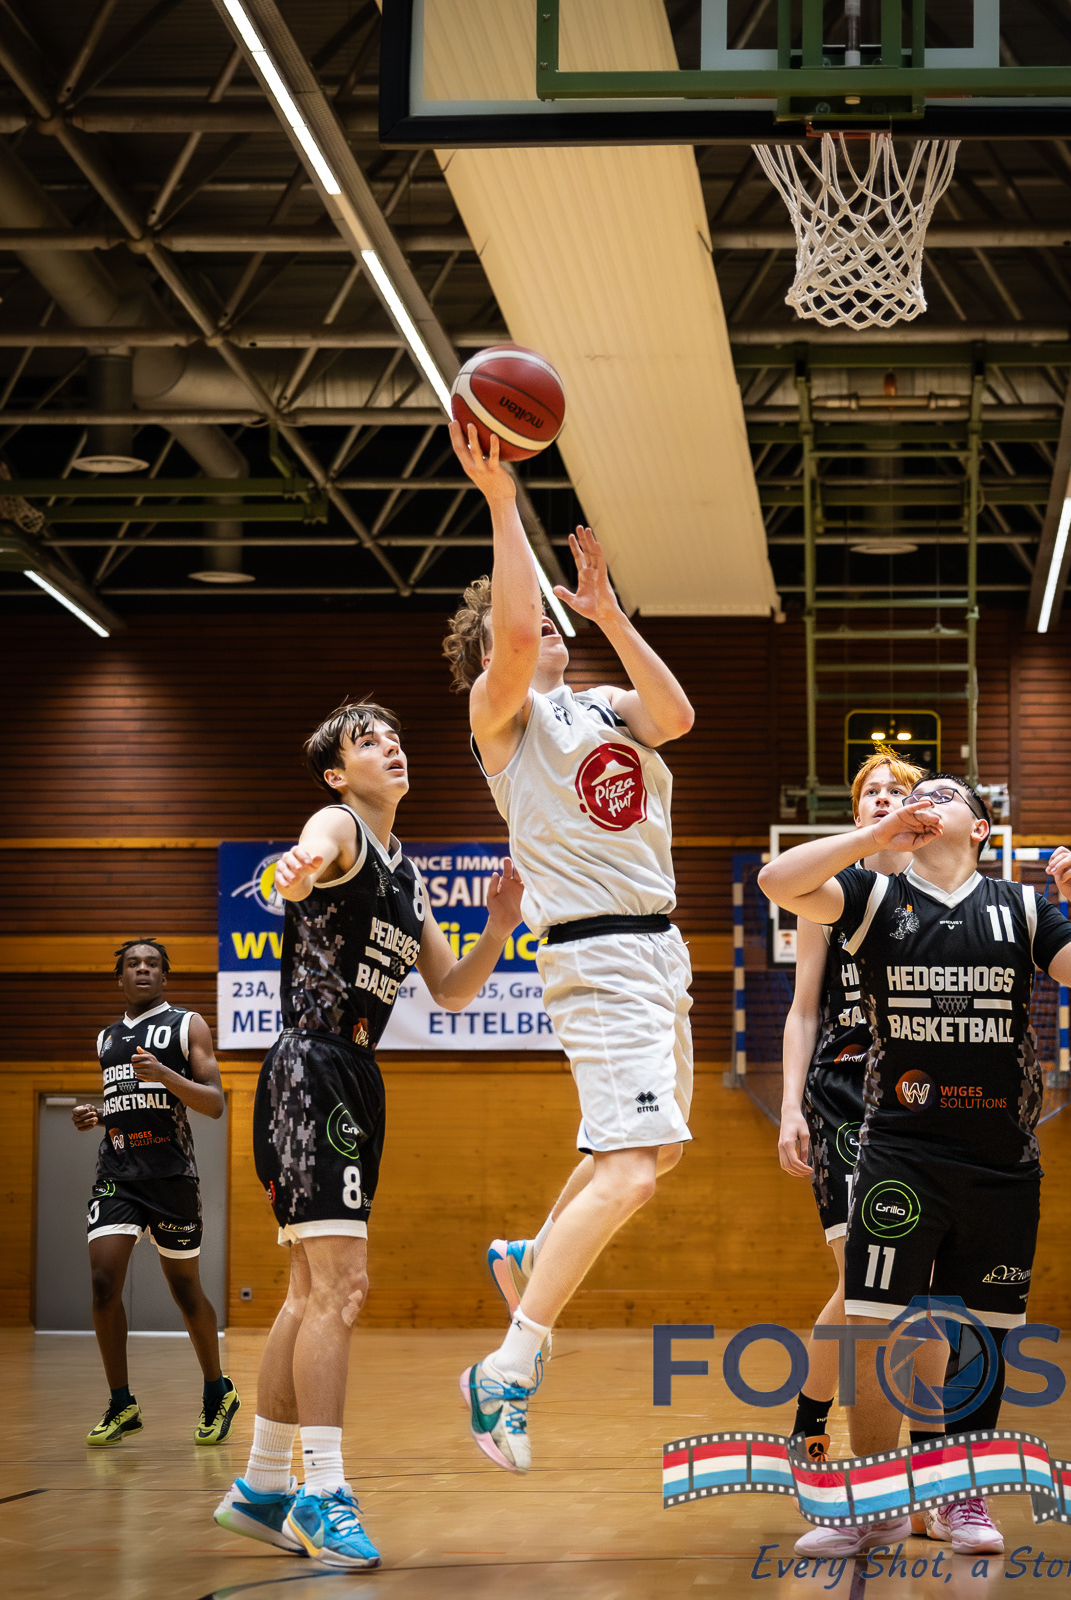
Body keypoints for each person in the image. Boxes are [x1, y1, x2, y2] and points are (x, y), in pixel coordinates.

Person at [759, 774, 1071, 1559]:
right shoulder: (870, 896)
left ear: (981, 827)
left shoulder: (1022, 908)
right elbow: (777, 881)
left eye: (943, 793)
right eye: (913, 793)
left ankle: (961, 1496)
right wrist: (873, 836)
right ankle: (874, 1500)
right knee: (872, 1324)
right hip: (898, 1150)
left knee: (977, 1334)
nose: (923, 799)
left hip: (999, 1158)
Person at [214, 700, 525, 1571]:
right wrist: (297, 870)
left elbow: (452, 991)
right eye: (366, 741)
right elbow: (304, 861)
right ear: (336, 773)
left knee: (308, 1293)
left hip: (353, 1074)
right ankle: (323, 1491)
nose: (389, 745)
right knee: (343, 1289)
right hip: (311, 1066)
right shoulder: (339, 826)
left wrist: (499, 928)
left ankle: (261, 1488)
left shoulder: (407, 874)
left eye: (393, 735)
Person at [444, 421, 696, 1475]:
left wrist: (608, 615)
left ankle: (530, 1253)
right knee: (630, 1174)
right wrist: (504, 502)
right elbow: (510, 637)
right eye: (536, 621)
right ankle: (506, 1368)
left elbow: (676, 716)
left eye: (555, 623)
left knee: (654, 1150)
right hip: (595, 956)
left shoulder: (601, 703)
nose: (546, 627)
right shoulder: (500, 718)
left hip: (660, 954)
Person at [778, 749, 922, 1464]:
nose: (884, 798)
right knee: (862, 1279)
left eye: (899, 789)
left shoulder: (940, 892)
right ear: (857, 811)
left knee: (911, 1282)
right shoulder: (828, 891)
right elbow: (803, 1009)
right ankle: (820, 1428)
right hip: (842, 1092)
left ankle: (833, 1422)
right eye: (873, 792)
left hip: (918, 1096)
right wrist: (789, 1108)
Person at [73, 939, 237, 1448]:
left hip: (171, 1177)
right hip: (117, 1173)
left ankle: (217, 1391)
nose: (142, 970)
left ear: (164, 977)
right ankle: (122, 1403)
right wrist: (100, 1115)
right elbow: (127, 1102)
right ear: (119, 977)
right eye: (132, 964)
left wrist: (165, 1074)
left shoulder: (188, 1025)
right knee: (103, 1282)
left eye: (152, 964)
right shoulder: (105, 1038)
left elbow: (214, 1103)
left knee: (185, 1290)